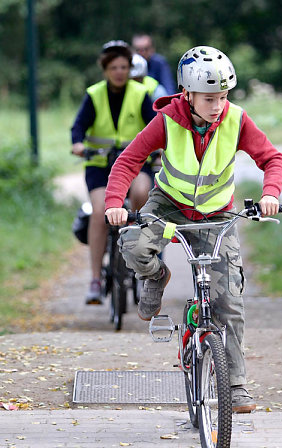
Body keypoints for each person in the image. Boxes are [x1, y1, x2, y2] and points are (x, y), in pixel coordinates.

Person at [105, 46, 282, 413]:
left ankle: (235, 385)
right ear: (187, 94)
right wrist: (113, 203)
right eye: (208, 98)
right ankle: (157, 277)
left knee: (228, 303)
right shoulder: (168, 119)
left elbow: (272, 159)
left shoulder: (236, 120)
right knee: (135, 247)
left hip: (216, 215)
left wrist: (270, 194)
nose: (217, 105)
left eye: (222, 96)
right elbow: (129, 160)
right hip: (168, 205)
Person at [71, 40, 156, 305]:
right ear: (105, 70)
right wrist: (77, 144)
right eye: (114, 67)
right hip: (100, 166)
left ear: (130, 69)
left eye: (123, 67)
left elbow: (157, 126)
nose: (119, 72)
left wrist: (161, 149)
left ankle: (141, 255)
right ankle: (95, 280)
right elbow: (78, 127)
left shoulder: (140, 94)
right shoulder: (94, 94)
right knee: (99, 211)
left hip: (135, 163)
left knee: (142, 192)